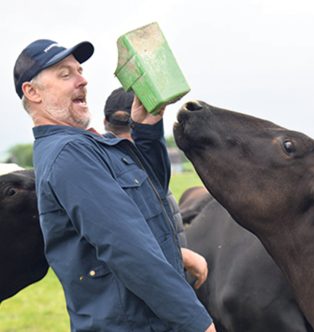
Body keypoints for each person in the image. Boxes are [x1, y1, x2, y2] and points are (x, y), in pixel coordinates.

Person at [13, 39, 216, 332]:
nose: (82, 80)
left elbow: (151, 195)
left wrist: (146, 129)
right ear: (32, 93)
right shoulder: (69, 154)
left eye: (79, 70)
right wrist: (197, 322)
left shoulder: (91, 145)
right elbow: (127, 246)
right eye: (64, 74)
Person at [103, 87, 208, 289]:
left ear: (105, 122)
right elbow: (125, 240)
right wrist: (182, 256)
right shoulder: (120, 170)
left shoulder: (137, 163)